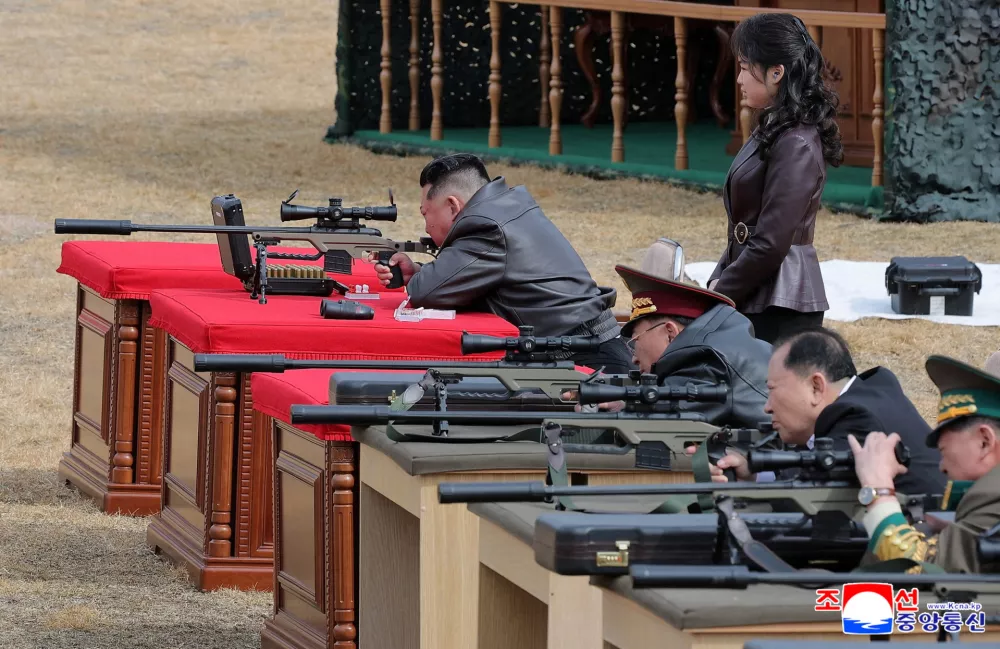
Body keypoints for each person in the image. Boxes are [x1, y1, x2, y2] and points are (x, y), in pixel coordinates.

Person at [370, 153, 634, 373]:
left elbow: (424, 292)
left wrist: (418, 278)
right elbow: (463, 277)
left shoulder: (485, 226)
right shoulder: (504, 208)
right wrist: (417, 270)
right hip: (586, 342)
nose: (426, 225)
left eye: (426, 213)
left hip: (585, 357)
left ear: (452, 205)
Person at [705, 13, 843, 344]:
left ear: (776, 72)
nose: (738, 78)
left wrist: (719, 292)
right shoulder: (774, 127)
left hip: (780, 304)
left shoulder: (796, 140)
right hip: (757, 292)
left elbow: (770, 243)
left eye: (743, 66)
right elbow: (747, 229)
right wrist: (717, 281)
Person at [709, 327, 946, 496]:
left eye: (773, 390)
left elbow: (806, 492)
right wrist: (753, 474)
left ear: (816, 387)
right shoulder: (863, 399)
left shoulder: (857, 417)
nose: (767, 406)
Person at [848, 355, 1000, 573]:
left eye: (945, 452)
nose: (941, 467)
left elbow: (922, 572)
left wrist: (878, 490)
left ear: (985, 442)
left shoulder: (993, 495)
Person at [612, 264, 771, 429]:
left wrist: (615, 410)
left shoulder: (704, 361)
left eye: (636, 340)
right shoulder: (714, 342)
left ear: (670, 333)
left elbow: (657, 426)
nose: (634, 358)